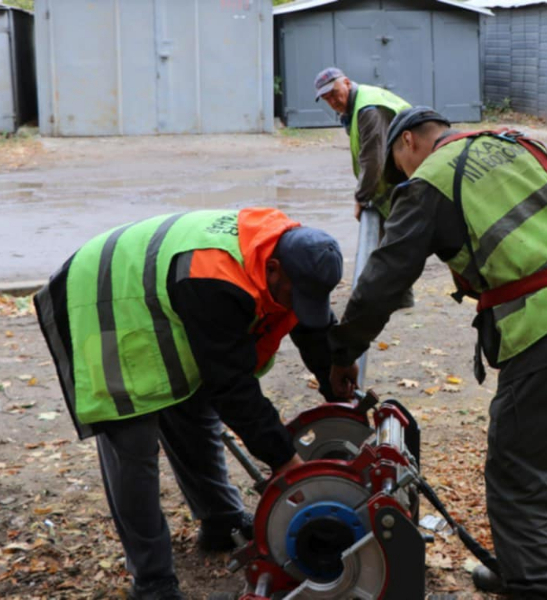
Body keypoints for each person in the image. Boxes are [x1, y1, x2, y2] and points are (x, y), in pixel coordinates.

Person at [328, 108, 547, 599]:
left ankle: (533, 587)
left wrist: (344, 349)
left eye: (399, 168)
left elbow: (386, 276)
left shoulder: (431, 177)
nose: (404, 180)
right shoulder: (510, 141)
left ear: (407, 142)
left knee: (518, 472)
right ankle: (527, 567)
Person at [35, 208, 343, 600]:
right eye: (293, 296)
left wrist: (334, 378)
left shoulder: (288, 252)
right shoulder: (217, 278)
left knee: (192, 409)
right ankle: (152, 579)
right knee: (133, 442)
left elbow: (308, 323)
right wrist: (285, 461)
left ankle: (221, 521)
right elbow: (232, 386)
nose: (298, 305)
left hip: (159, 301)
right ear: (276, 268)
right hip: (104, 299)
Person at [314, 67, 411, 222]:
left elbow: (372, 160)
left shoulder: (368, 110)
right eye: (327, 99)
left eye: (334, 93)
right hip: (401, 181)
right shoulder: (354, 107)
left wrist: (361, 198)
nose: (332, 102)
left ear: (346, 82)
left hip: (408, 183)